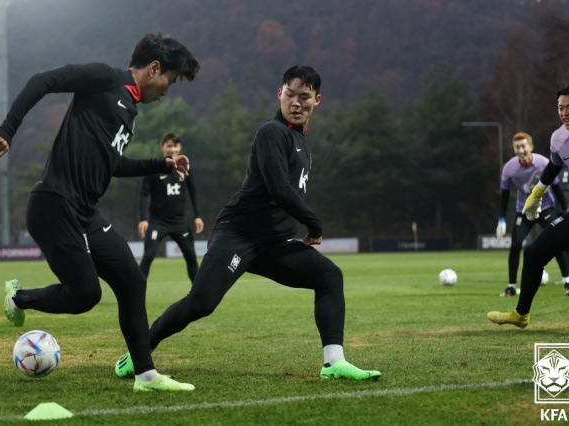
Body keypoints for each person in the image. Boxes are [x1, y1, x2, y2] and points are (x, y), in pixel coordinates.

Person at [114, 65, 381, 381]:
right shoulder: (272, 132)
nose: (296, 102)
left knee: (329, 277)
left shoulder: (301, 140)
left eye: (304, 97)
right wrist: (314, 224)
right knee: (200, 303)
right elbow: (279, 189)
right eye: (290, 94)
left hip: (272, 245)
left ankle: (333, 363)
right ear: (279, 93)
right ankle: (138, 353)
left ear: (317, 100)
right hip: (237, 235)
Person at [0, 32, 200, 392]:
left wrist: (163, 164)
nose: (167, 91)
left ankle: (145, 376)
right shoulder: (106, 78)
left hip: (84, 212)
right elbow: (44, 80)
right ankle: (18, 297)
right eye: (169, 81)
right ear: (154, 68)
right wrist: (8, 129)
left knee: (132, 280)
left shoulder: (129, 112)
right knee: (85, 295)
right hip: (53, 204)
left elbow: (112, 165)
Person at [488, 84, 569, 328]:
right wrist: (538, 192)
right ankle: (521, 314)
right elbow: (554, 165)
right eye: (560, 108)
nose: (564, 113)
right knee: (533, 253)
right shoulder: (559, 138)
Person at [495, 132, 569, 297]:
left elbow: (557, 187)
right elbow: (504, 194)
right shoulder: (509, 168)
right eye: (517, 147)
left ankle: (567, 281)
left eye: (524, 146)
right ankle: (511, 286)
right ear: (514, 149)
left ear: (530, 147)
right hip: (524, 210)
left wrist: (566, 210)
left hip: (545, 207)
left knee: (556, 241)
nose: (521, 150)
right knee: (516, 245)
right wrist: (502, 218)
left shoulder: (543, 163)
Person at [138, 132, 203, 282]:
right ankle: (134, 294)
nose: (172, 150)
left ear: (179, 147)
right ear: (162, 147)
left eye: (175, 146)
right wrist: (143, 219)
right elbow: (143, 194)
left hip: (179, 222)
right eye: (169, 146)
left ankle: (200, 295)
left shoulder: (185, 166)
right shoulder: (154, 166)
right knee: (148, 256)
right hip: (157, 222)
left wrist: (198, 215)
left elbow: (193, 190)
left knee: (192, 258)